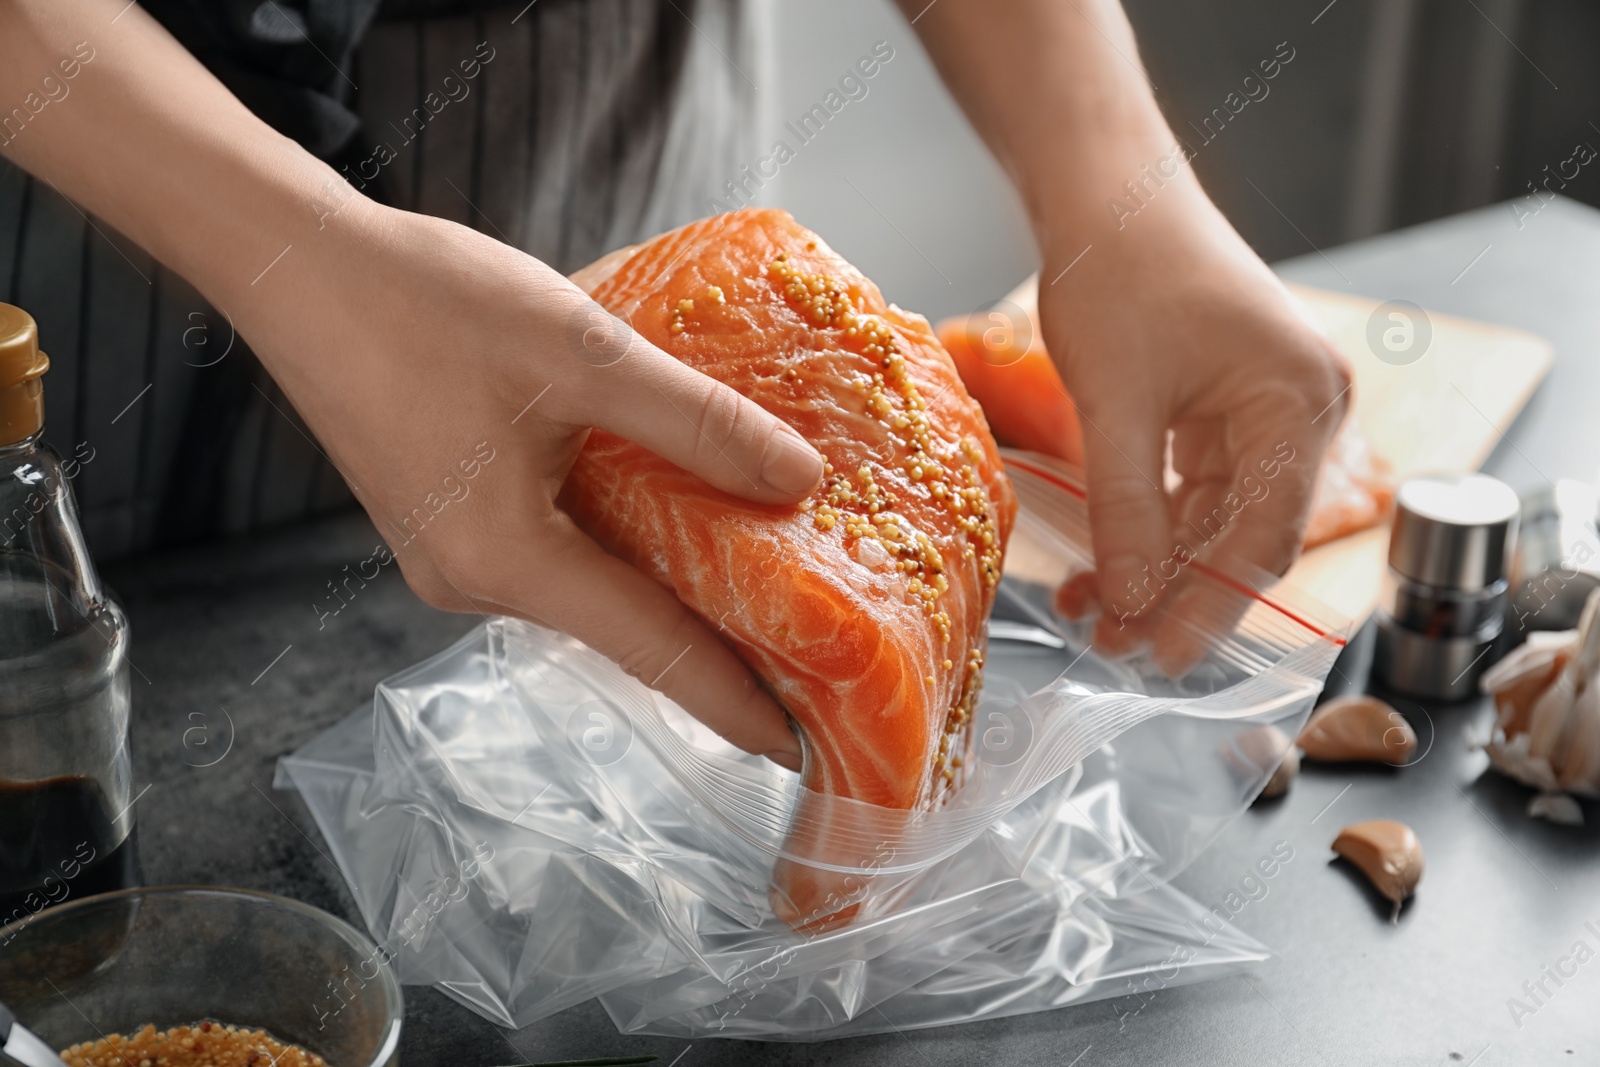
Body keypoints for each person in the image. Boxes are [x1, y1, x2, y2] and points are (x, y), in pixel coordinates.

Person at [0, 0, 1350, 771]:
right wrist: (288, 252)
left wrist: (1118, 177)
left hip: (588, 148)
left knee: (699, 732)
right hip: (81, 202)